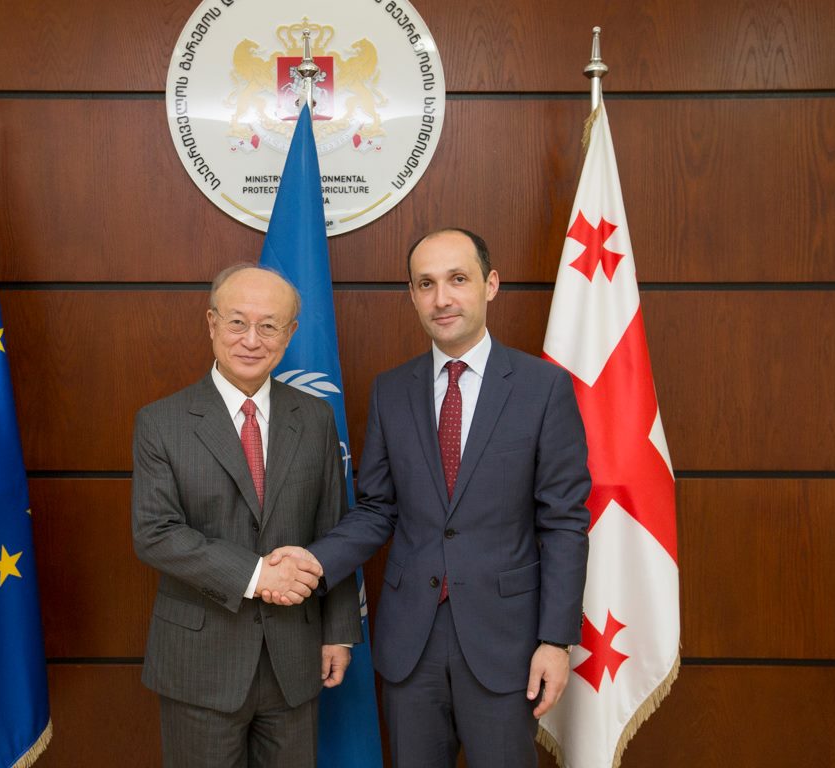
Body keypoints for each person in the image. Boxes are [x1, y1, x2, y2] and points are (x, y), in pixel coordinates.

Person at [267, 229, 591, 767]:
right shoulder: (391, 390)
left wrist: (556, 641)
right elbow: (377, 509)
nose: (442, 298)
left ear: (490, 284)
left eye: (458, 279)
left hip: (506, 644)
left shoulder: (543, 388)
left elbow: (564, 523)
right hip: (410, 644)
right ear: (413, 295)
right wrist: (314, 561)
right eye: (426, 284)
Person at [132, 263, 360, 768]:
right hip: (200, 664)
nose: (251, 340)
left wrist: (337, 631)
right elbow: (155, 533)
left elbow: (335, 530)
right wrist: (258, 575)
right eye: (237, 322)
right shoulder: (161, 422)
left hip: (295, 658)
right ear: (212, 323)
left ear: (290, 334)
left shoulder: (316, 418)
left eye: (269, 326)